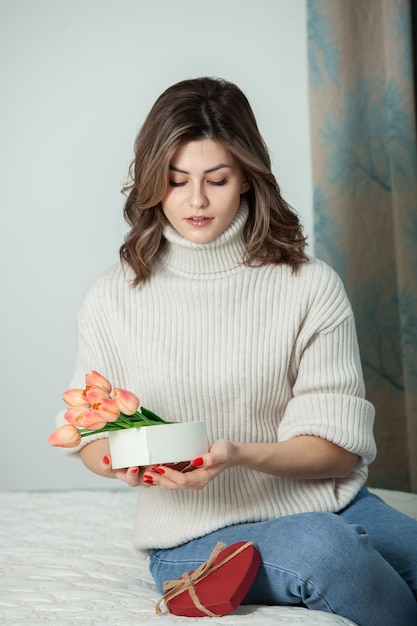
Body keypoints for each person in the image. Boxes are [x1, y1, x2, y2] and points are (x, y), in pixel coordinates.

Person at [56, 77, 417, 625]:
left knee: (371, 540)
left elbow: (339, 451)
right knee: (328, 549)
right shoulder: (113, 297)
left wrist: (236, 455)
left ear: (247, 178)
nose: (196, 200)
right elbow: (89, 435)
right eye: (176, 181)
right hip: (194, 535)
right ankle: (197, 579)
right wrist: (122, 461)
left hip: (335, 501)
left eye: (216, 179)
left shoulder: (309, 286)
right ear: (153, 184)